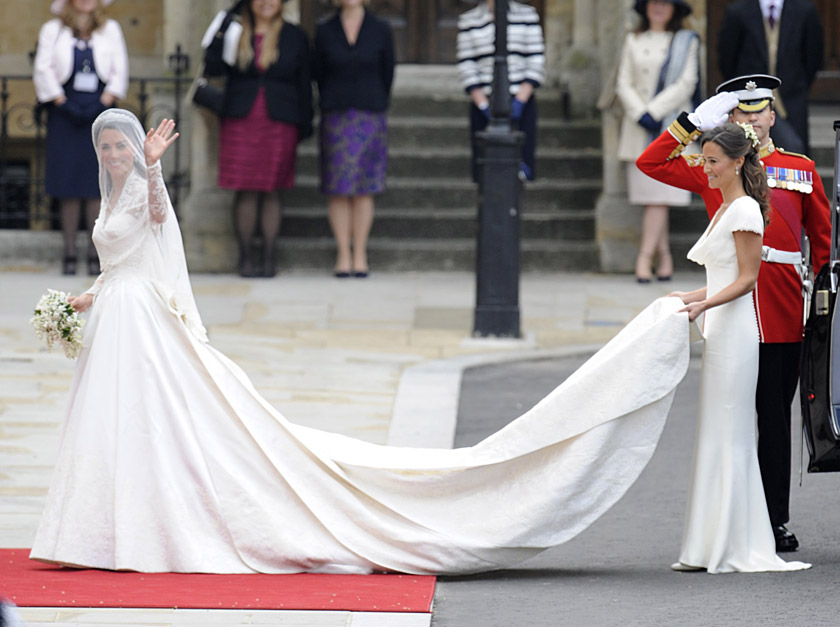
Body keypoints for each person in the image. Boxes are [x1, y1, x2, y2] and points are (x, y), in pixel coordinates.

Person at [29, 113, 706, 576]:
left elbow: (155, 227)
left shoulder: (142, 188)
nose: (116, 157)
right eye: (110, 151)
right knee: (115, 424)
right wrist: (84, 299)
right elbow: (123, 260)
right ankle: (100, 524)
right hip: (116, 314)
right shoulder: (107, 198)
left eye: (122, 147)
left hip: (146, 327)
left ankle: (145, 522)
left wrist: (151, 172)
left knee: (160, 421)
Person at [636, 75, 831, 553]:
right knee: (730, 416)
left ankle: (774, 518)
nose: (751, 120)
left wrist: (825, 303)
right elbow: (651, 162)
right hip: (732, 307)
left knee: (773, 417)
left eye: (758, 111)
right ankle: (732, 515)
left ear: (772, 115)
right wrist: (689, 124)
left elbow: (822, 241)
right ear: (730, 120)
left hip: (782, 307)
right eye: (740, 113)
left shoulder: (800, 169)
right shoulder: (717, 168)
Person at [668, 122, 808, 573]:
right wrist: (688, 298)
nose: (704, 168)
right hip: (721, 327)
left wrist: (703, 304)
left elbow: (747, 280)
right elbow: (720, 276)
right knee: (716, 431)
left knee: (731, 433)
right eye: (704, 159)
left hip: (737, 328)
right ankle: (709, 542)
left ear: (738, 162)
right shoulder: (726, 207)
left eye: (712, 161)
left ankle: (735, 540)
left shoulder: (746, 209)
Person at [204, 0, 313, 278]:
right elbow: (213, 66)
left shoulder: (294, 35)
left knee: (272, 188)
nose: (266, 2)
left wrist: (305, 122)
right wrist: (224, 23)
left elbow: (304, 82)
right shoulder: (235, 31)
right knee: (246, 188)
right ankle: (245, 257)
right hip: (241, 118)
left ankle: (268, 255)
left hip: (280, 120)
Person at [33, 0, 128, 275]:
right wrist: (61, 103)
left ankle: (95, 252)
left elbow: (119, 68)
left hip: (99, 109)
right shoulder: (53, 30)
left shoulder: (110, 29)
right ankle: (70, 250)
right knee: (69, 182)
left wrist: (105, 101)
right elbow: (43, 67)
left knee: (96, 182)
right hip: (66, 112)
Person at [615, 0, 699, 283]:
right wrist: (640, 113)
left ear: (675, 10)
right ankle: (663, 256)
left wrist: (655, 111)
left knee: (658, 199)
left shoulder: (686, 41)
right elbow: (622, 82)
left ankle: (644, 257)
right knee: (654, 199)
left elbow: (687, 83)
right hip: (638, 129)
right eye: (654, 3)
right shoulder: (633, 39)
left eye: (666, 3)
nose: (659, 8)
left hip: (671, 126)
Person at [312, 0, 395, 278]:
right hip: (336, 116)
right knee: (338, 186)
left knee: (364, 186)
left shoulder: (381, 29)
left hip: (370, 115)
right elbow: (318, 74)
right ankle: (343, 254)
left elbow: (388, 72)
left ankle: (360, 253)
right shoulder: (325, 30)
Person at [717, 0, 824, 154]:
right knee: (747, 154)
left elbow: (813, 56)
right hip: (750, 102)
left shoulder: (804, 10)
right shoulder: (737, 11)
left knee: (795, 152)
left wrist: (796, 87)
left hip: (792, 101)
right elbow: (727, 59)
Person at [456, 0, 545, 182]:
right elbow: (467, 65)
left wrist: (519, 101)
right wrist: (483, 105)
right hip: (484, 101)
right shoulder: (469, 20)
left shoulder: (527, 15)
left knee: (521, 169)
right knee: (486, 170)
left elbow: (536, 59)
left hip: (521, 100)